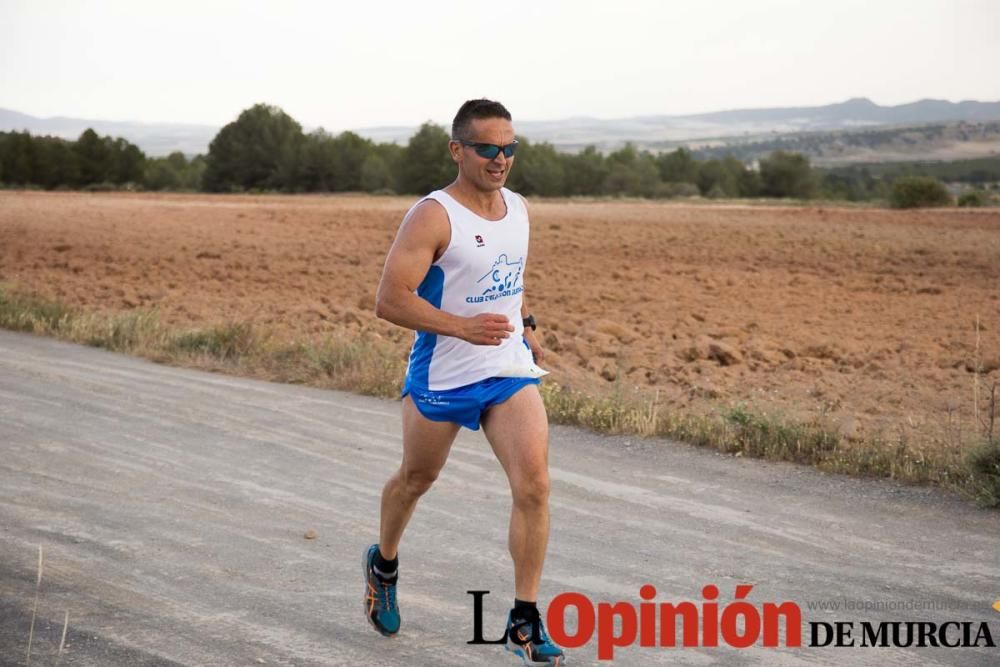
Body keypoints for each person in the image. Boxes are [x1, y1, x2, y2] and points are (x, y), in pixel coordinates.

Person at [364, 99, 564, 665]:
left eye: (509, 149)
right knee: (416, 478)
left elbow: (508, 278)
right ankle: (384, 563)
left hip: (505, 367)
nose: (501, 159)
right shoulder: (432, 215)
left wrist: (525, 326)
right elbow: (388, 300)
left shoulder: (519, 209)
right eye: (487, 149)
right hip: (444, 370)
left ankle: (523, 618)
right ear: (457, 150)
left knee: (535, 485)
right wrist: (460, 327)